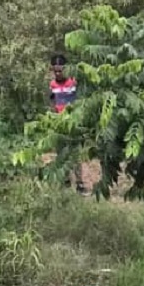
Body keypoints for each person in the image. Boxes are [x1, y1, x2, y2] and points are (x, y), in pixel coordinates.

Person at [48, 54, 87, 194]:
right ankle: (65, 181)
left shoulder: (73, 82)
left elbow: (79, 102)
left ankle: (80, 184)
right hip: (59, 125)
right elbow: (53, 103)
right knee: (62, 154)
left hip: (73, 124)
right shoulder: (52, 85)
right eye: (55, 71)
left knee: (75, 154)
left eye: (61, 70)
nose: (58, 73)